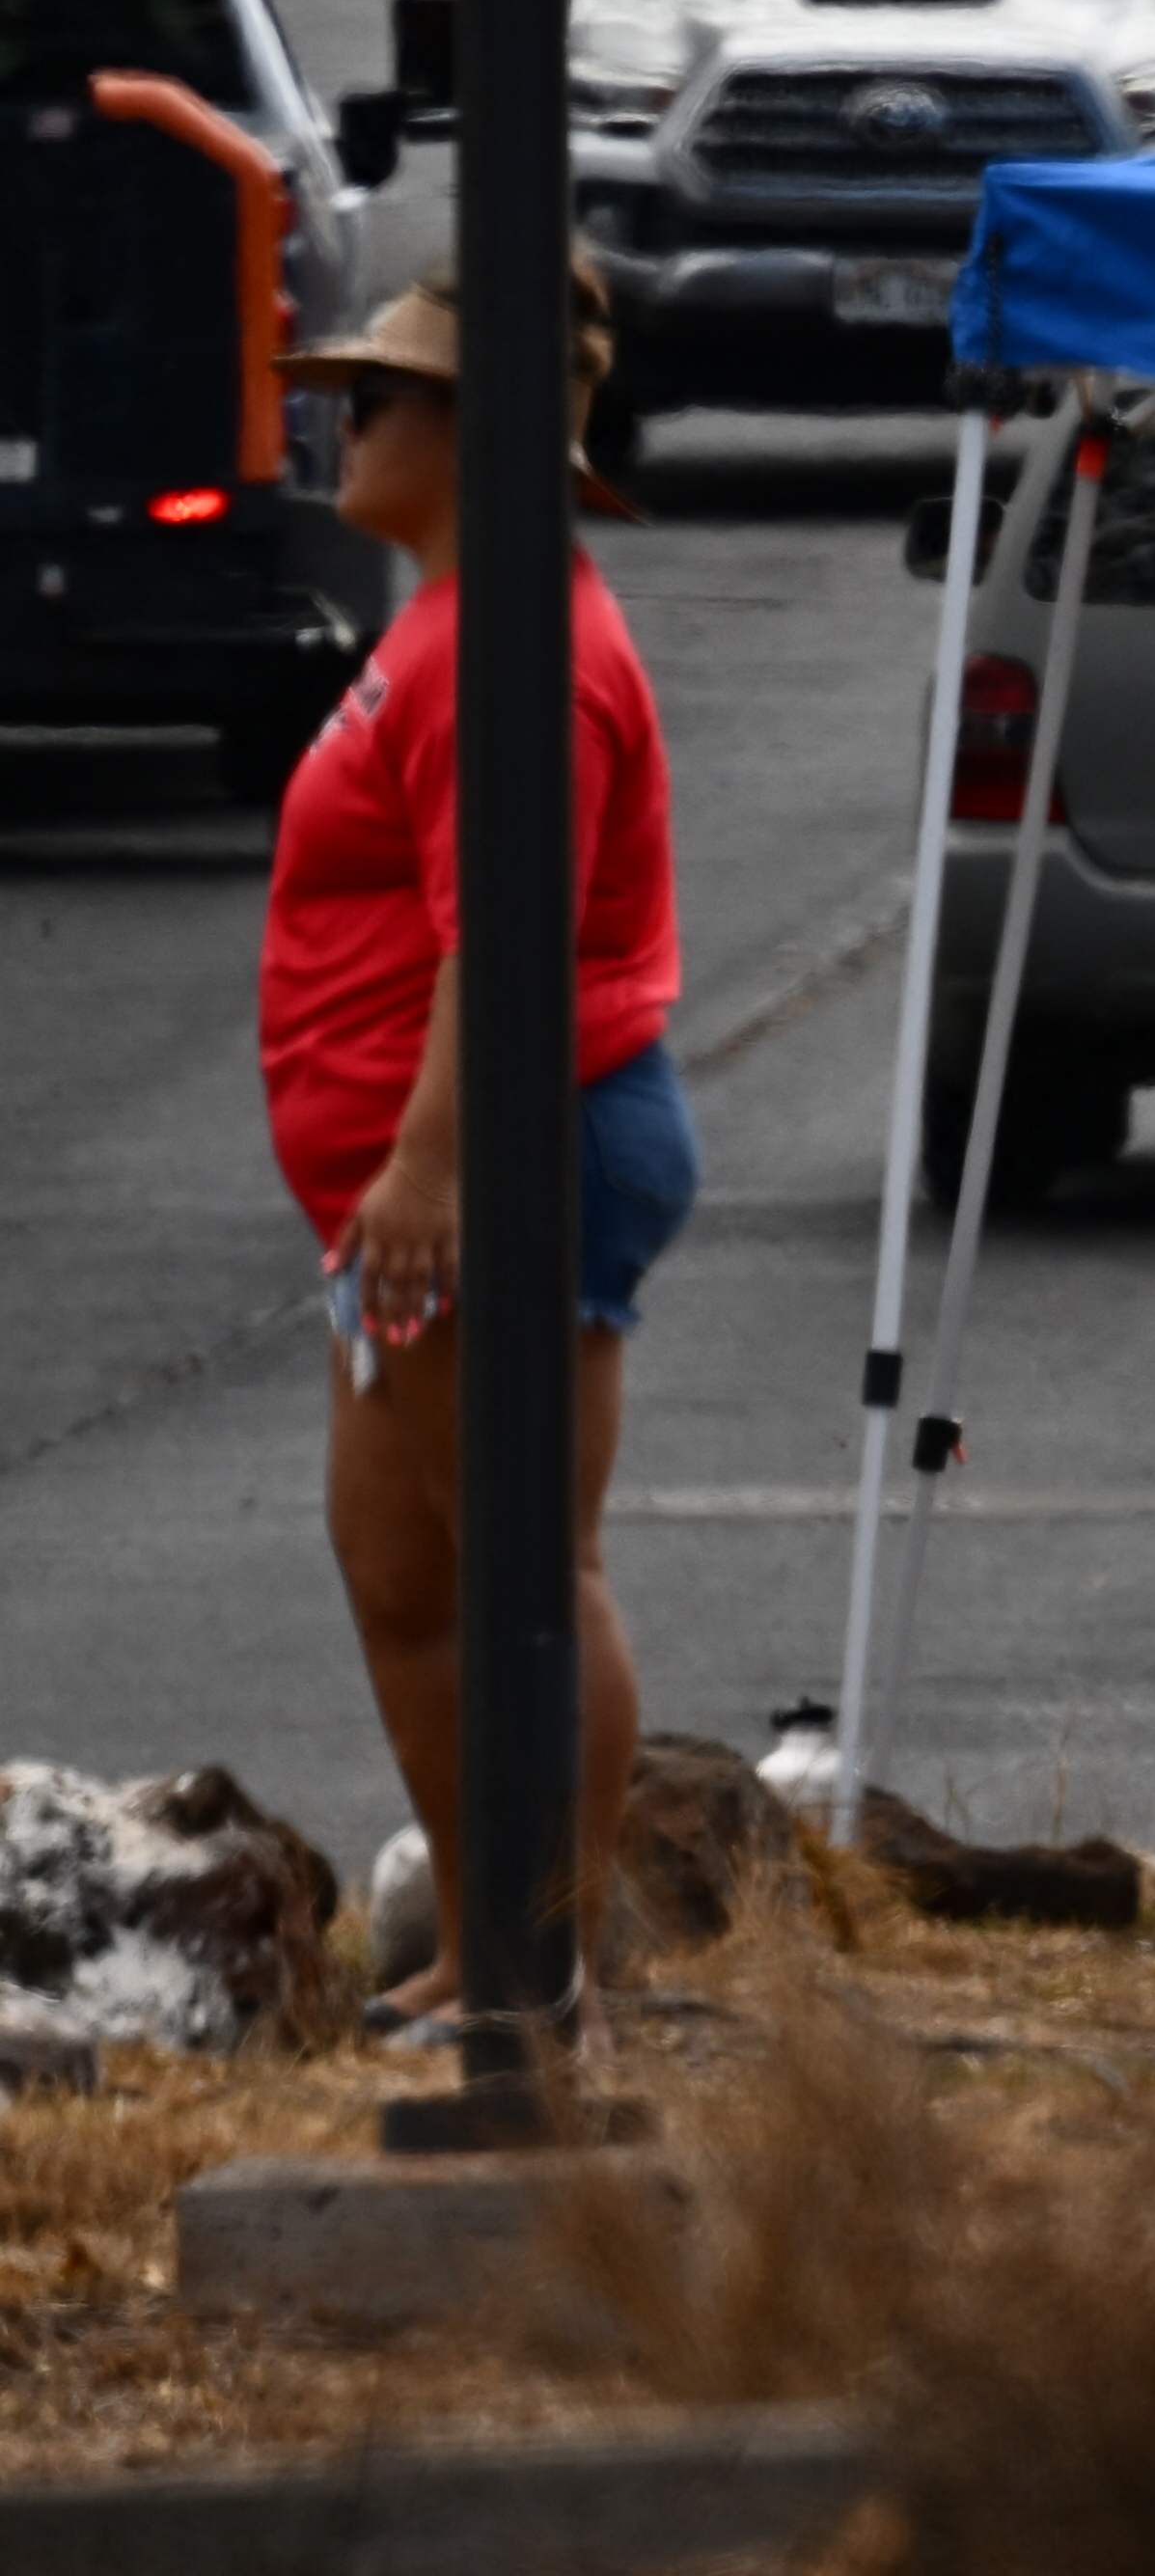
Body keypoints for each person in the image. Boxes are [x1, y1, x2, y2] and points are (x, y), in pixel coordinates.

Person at [261, 266, 690, 2047]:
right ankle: (484, 1945)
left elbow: (494, 935)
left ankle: (551, 1966)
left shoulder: (519, 645)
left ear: (483, 437)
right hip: (411, 1168)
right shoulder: (449, 623)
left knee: (525, 1560)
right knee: (402, 1565)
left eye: (383, 395)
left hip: (511, 1148)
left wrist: (432, 1164)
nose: (345, 421)